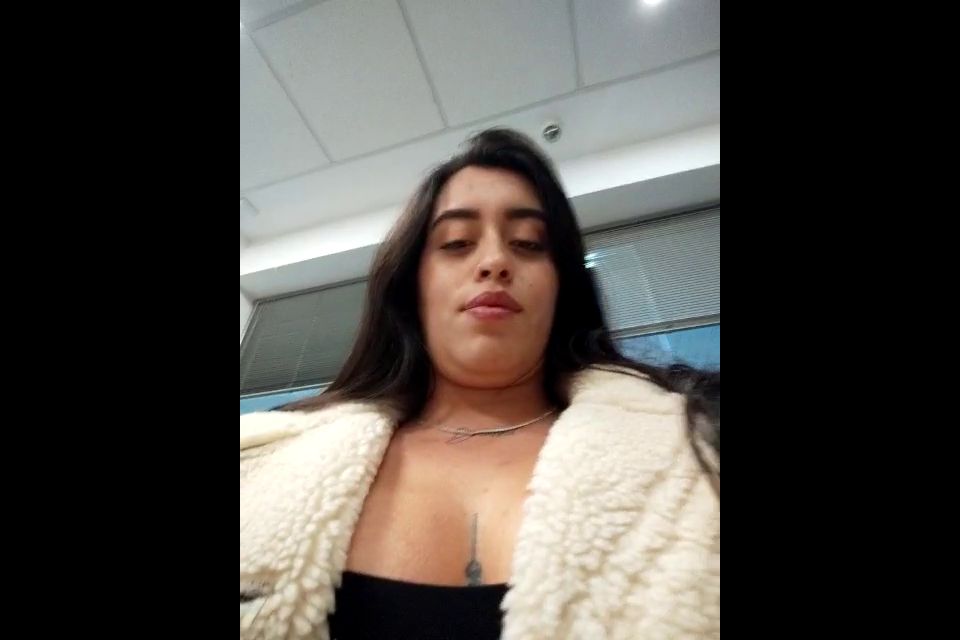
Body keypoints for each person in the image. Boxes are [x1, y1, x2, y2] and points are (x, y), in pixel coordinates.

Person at [240, 128, 720, 639]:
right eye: (457, 243)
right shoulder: (263, 461)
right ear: (412, 284)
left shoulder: (699, 438)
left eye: (528, 244)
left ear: (561, 286)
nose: (495, 261)